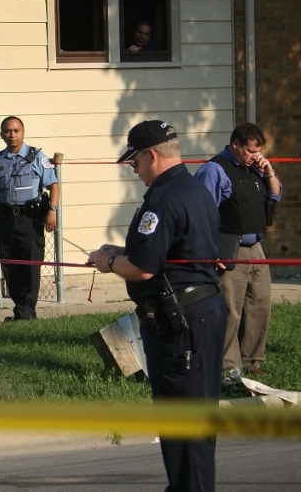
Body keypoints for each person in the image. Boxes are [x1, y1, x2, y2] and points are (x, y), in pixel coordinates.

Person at [88, 120, 226, 492]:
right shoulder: (195, 189)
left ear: (152, 155)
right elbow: (174, 251)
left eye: (135, 162)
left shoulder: (162, 199)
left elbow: (144, 268)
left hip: (179, 322)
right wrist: (117, 250)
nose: (134, 170)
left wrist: (109, 262)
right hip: (204, 312)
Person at [195, 123, 282, 382]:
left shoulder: (256, 169)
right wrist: (212, 253)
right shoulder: (214, 170)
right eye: (249, 151)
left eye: (258, 152)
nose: (254, 156)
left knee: (260, 306)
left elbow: (276, 195)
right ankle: (227, 367)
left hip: (256, 248)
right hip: (230, 249)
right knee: (230, 311)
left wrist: (267, 170)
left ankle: (253, 361)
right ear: (235, 145)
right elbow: (203, 214)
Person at [0, 116, 59, 320]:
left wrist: (52, 210)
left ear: (23, 133)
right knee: (9, 265)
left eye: (16, 131)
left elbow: (54, 185)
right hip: (5, 220)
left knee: (31, 265)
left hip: (29, 220)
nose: (12, 135)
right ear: (2, 134)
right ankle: (22, 310)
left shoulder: (37, 157)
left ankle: (25, 312)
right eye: (8, 131)